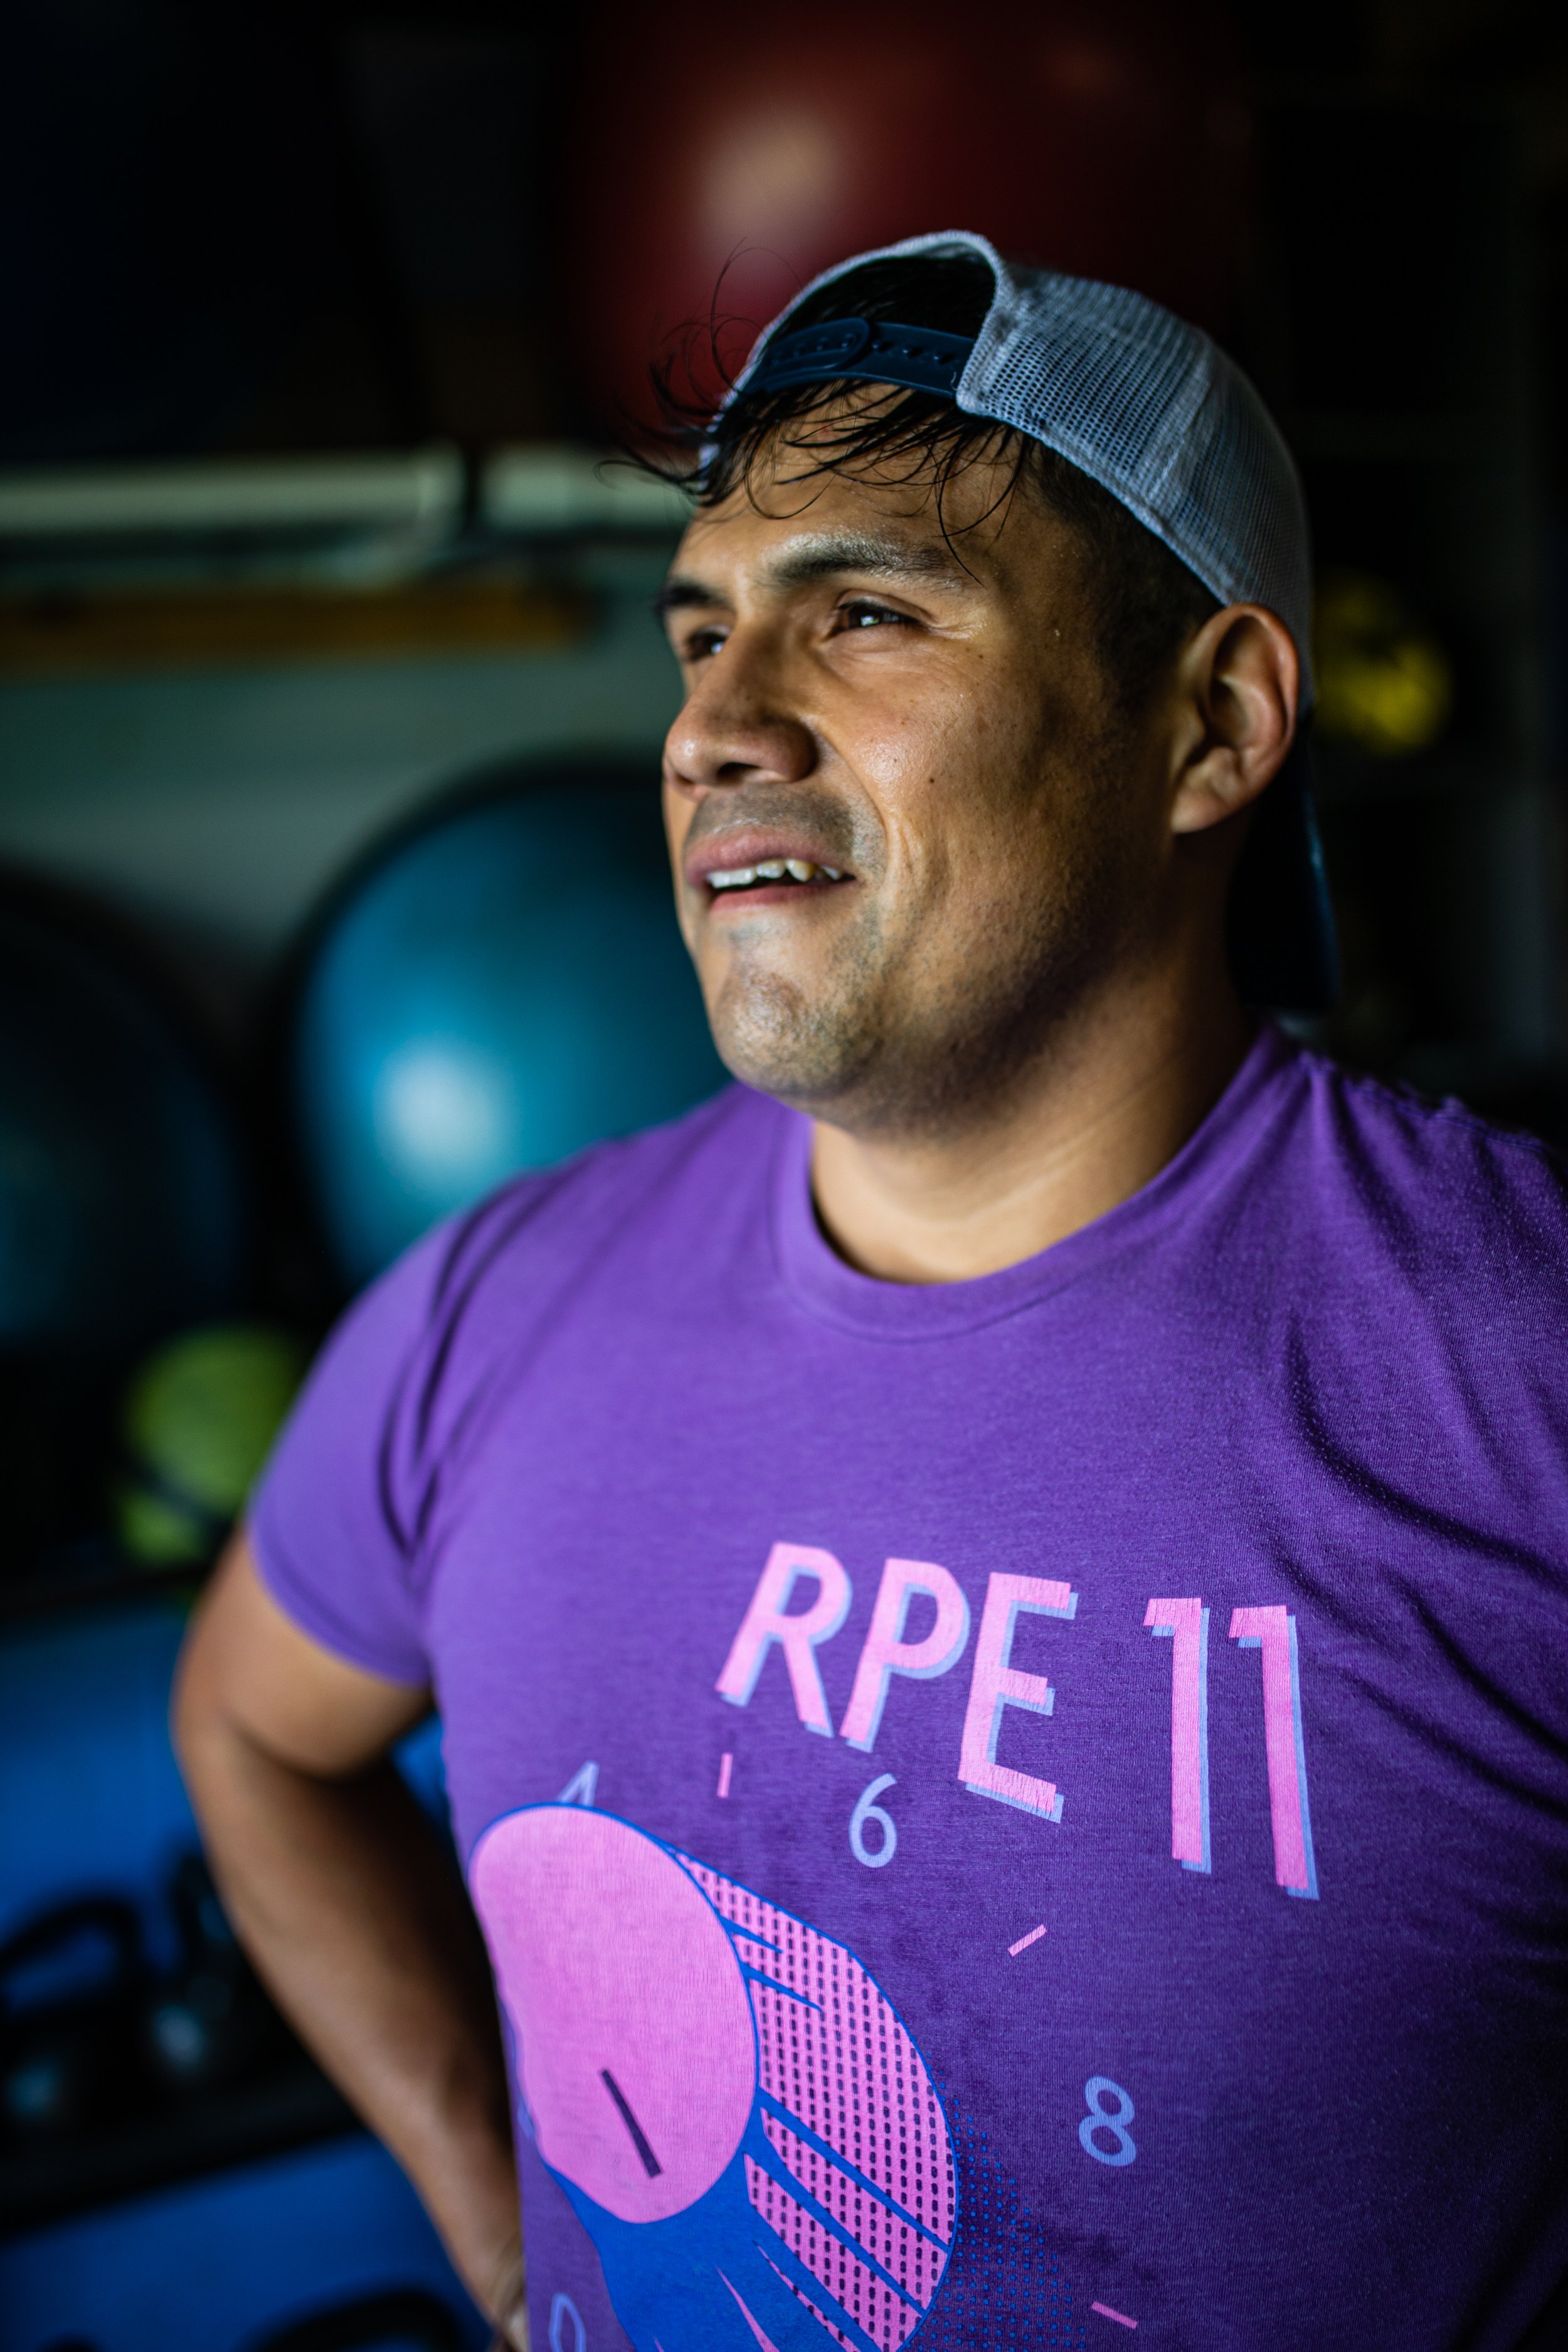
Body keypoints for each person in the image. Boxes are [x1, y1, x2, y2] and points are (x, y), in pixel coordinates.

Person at [174, 234, 1568, 2352]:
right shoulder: (494, 1309)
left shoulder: (1512, 1371)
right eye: (700, 633)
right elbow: (255, 1734)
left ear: (1212, 722)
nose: (715, 727)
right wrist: (500, 2226)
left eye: (866, 614)